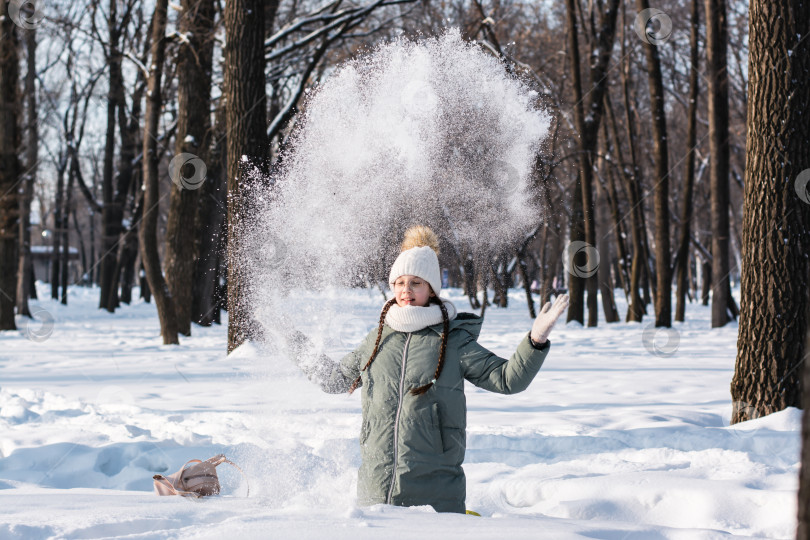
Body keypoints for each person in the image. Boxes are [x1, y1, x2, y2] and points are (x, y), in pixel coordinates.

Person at [289, 225, 568, 514]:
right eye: (399, 283)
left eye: (415, 283)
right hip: (375, 496)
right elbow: (334, 380)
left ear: (431, 289)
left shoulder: (453, 341)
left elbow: (507, 380)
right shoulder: (377, 339)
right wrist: (291, 341)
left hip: (436, 499)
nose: (405, 291)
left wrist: (535, 341)